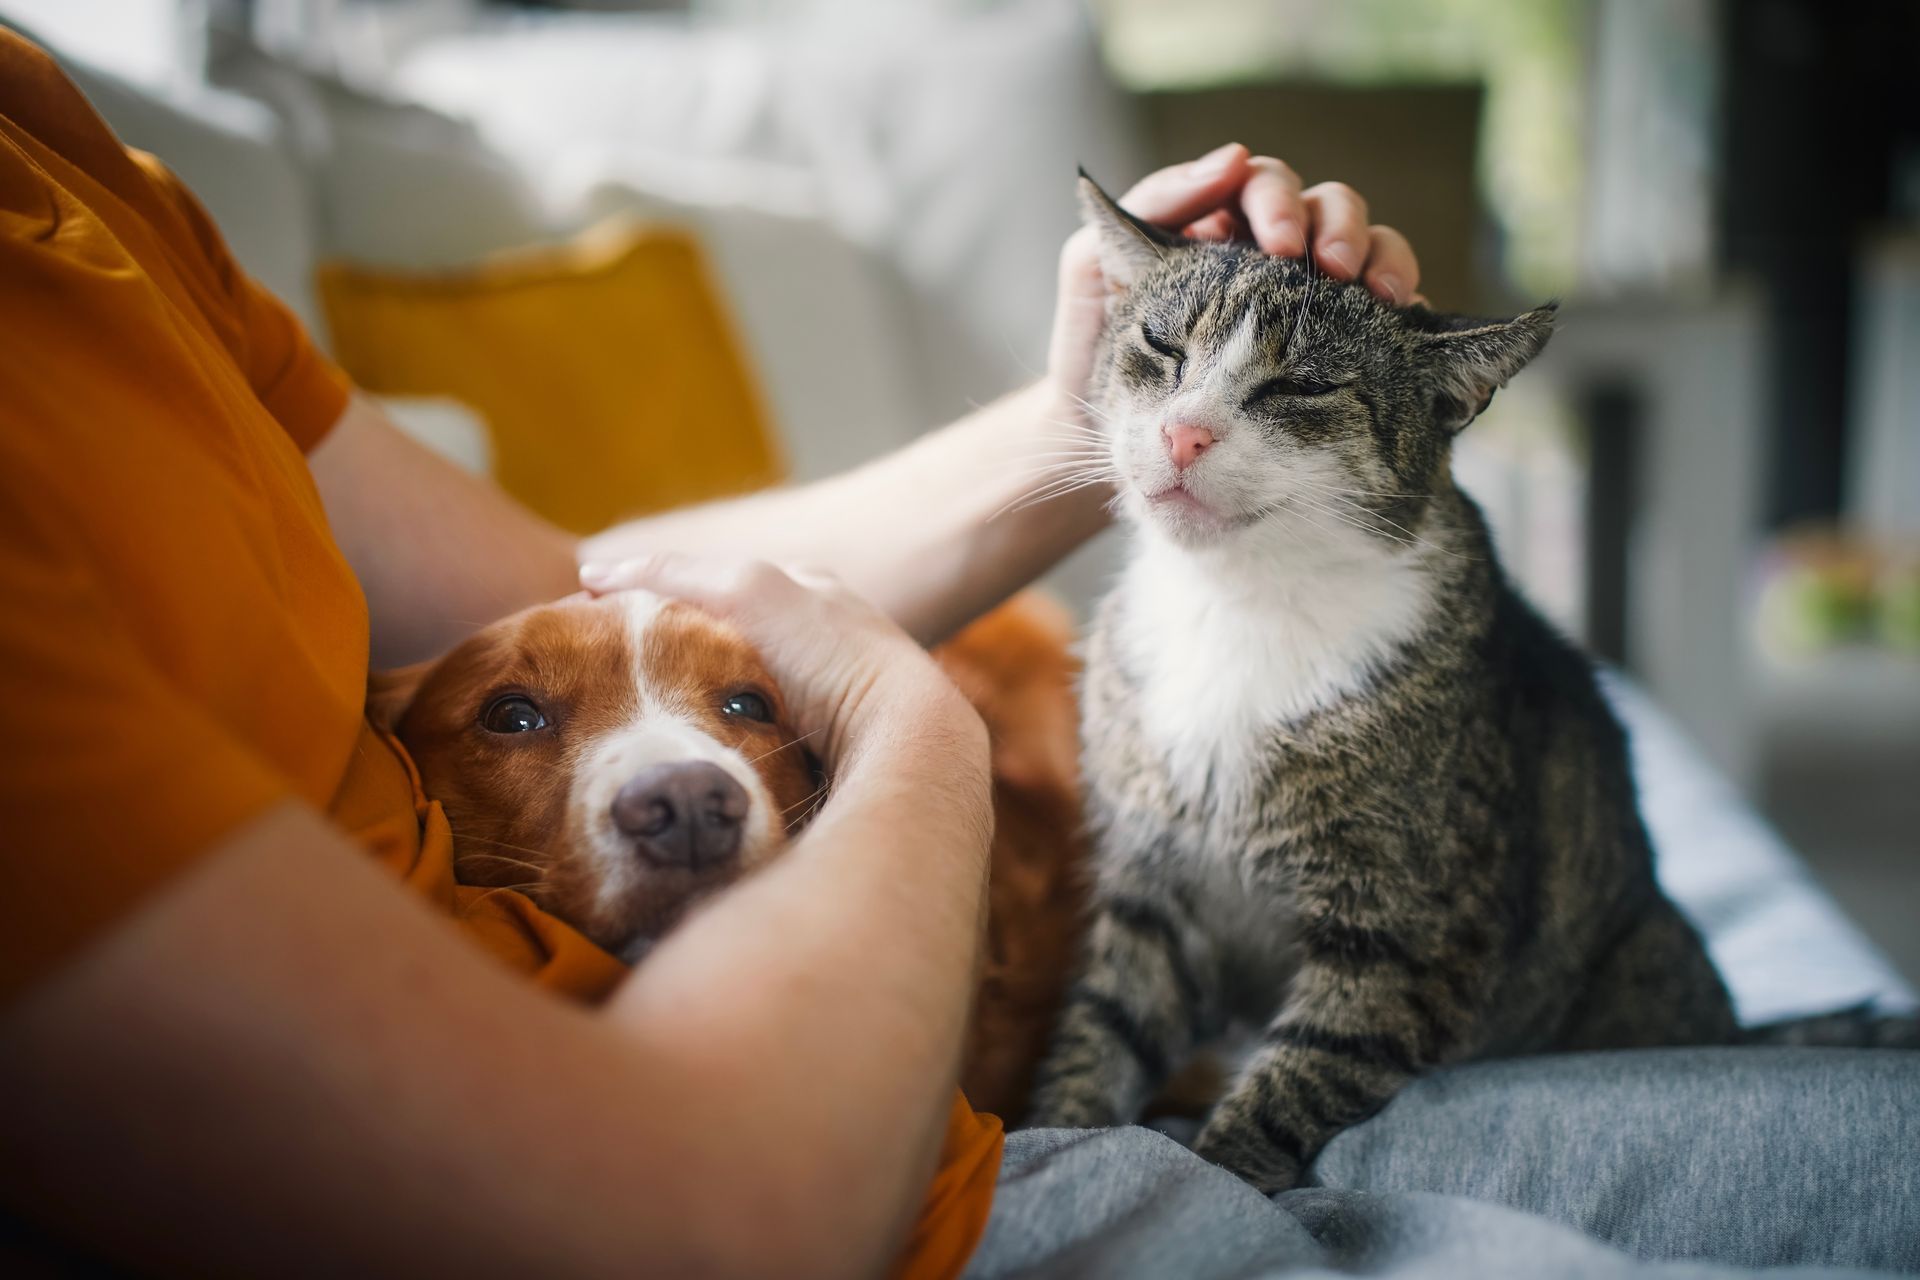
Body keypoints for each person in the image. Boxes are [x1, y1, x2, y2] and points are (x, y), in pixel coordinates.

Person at [0, 27, 1422, 1278]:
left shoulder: (61, 150)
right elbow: (701, 1226)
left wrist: (1081, 420)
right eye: (510, 723)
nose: (677, 783)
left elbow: (575, 600)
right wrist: (908, 723)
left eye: (748, 709)